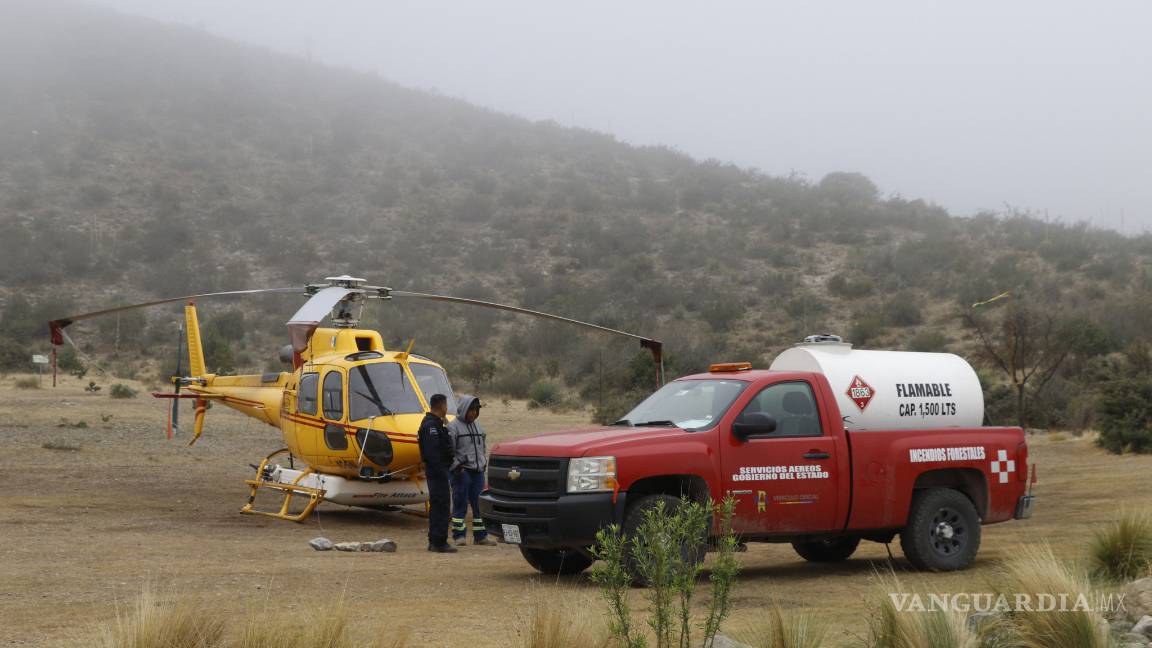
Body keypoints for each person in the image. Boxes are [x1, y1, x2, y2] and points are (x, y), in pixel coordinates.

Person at [448, 394, 496, 546]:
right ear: (463, 409)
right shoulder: (453, 427)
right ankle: (459, 536)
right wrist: (457, 468)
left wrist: (483, 462)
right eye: (471, 410)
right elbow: (449, 452)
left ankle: (481, 536)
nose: (474, 413)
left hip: (478, 471)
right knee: (460, 503)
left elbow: (482, 447)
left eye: (476, 410)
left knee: (479, 505)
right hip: (462, 472)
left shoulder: (478, 426)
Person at [418, 393, 456, 553]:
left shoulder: (435, 423)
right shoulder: (431, 425)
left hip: (438, 471)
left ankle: (436, 540)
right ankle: (438, 542)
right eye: (446, 405)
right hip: (437, 472)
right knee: (441, 505)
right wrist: (441, 470)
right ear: (441, 406)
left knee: (439, 505)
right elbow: (433, 452)